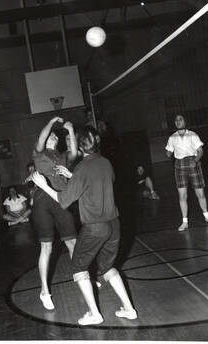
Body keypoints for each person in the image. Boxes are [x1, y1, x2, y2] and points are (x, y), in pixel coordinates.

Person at [32, 126, 137, 325]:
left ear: (80, 148)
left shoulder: (81, 168)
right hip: (114, 224)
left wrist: (44, 185)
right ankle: (129, 309)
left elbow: (63, 199)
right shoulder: (105, 162)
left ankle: (94, 314)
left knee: (79, 268)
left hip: (96, 226)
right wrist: (73, 177)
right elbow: (98, 180)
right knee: (107, 268)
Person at [32, 116, 78, 310]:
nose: (50, 137)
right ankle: (44, 291)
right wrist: (51, 122)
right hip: (43, 201)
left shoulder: (61, 157)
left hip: (61, 200)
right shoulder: (38, 153)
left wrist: (70, 130)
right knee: (46, 248)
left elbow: (74, 152)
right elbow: (42, 138)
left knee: (72, 243)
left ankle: (82, 276)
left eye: (53, 136)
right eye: (49, 135)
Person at [165, 114, 208, 231]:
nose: (178, 121)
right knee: (182, 195)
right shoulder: (172, 138)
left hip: (193, 162)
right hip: (179, 165)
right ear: (175, 123)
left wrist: (196, 160)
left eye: (180, 119)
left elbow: (200, 151)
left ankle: (207, 216)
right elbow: (168, 152)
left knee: (200, 193)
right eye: (176, 120)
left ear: (185, 122)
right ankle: (184, 222)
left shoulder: (193, 135)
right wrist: (168, 152)